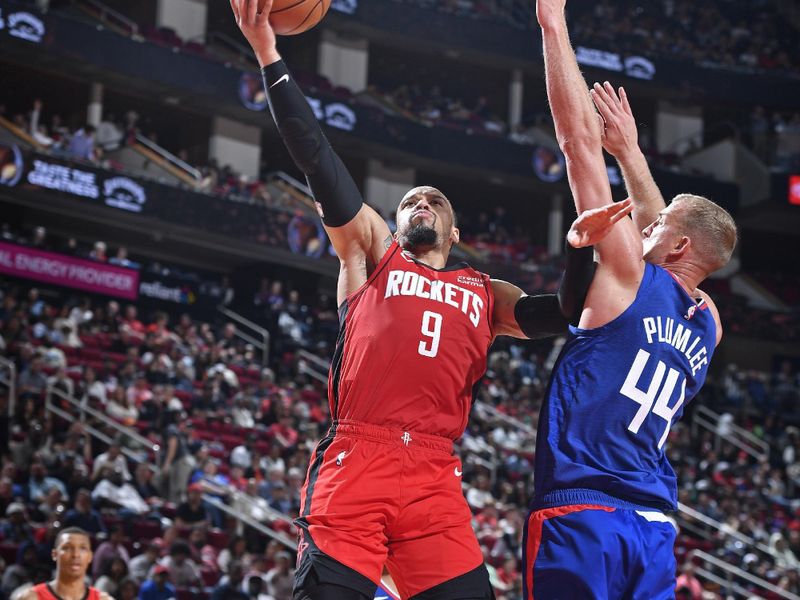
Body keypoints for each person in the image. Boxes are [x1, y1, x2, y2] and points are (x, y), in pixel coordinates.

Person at [230, 2, 624, 598]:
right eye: (411, 200)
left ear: (456, 231)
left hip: (435, 475)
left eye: (434, 200)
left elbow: (562, 315)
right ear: (393, 221)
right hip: (358, 455)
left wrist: (576, 249)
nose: (422, 203)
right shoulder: (370, 253)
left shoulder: (485, 292)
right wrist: (268, 54)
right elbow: (317, 159)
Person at [524, 1, 738, 598]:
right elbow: (668, 229)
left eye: (657, 225)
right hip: (652, 527)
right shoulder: (709, 323)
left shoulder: (627, 276)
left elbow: (576, 145)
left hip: (582, 512)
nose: (646, 224)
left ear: (678, 246)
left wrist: (553, 25)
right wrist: (634, 154)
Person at [20, 527, 112, 600]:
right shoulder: (31, 597)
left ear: (90, 556)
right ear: (55, 554)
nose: (76, 555)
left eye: (82, 548)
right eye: (67, 548)